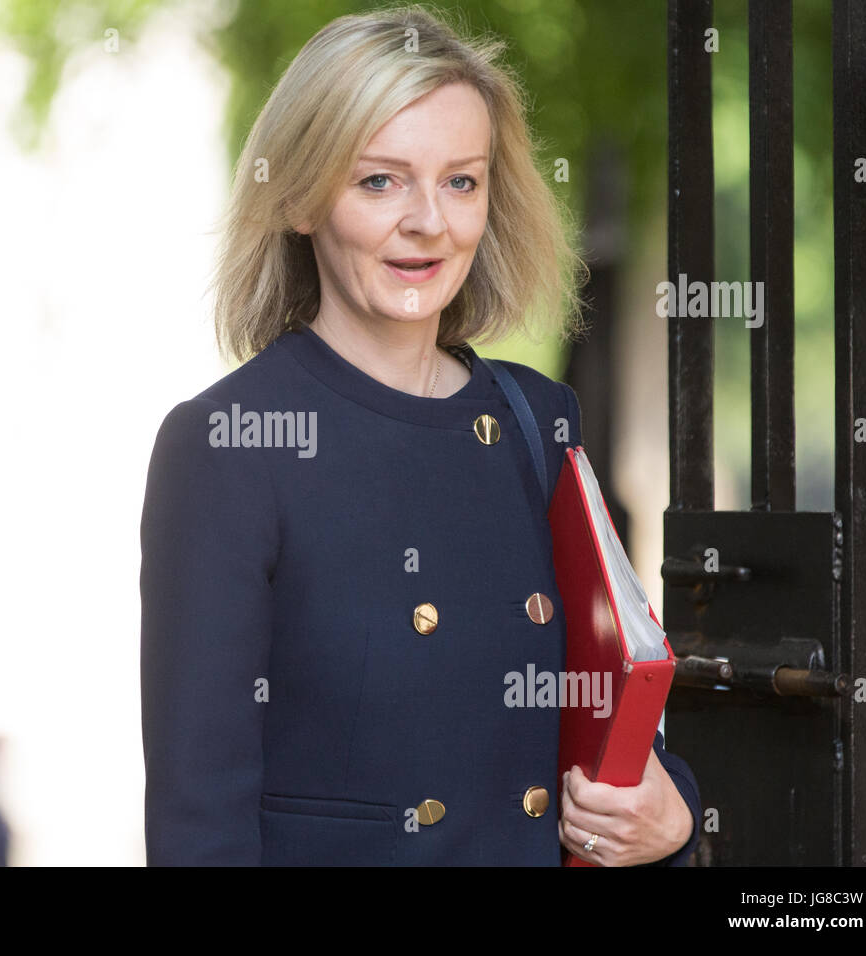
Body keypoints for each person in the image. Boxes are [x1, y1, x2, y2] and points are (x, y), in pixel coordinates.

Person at [139, 4, 700, 866]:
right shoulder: (225, 446)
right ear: (297, 196)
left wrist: (673, 815)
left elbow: (611, 716)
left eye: (461, 181)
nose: (429, 221)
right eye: (380, 180)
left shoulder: (537, 421)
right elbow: (199, 824)